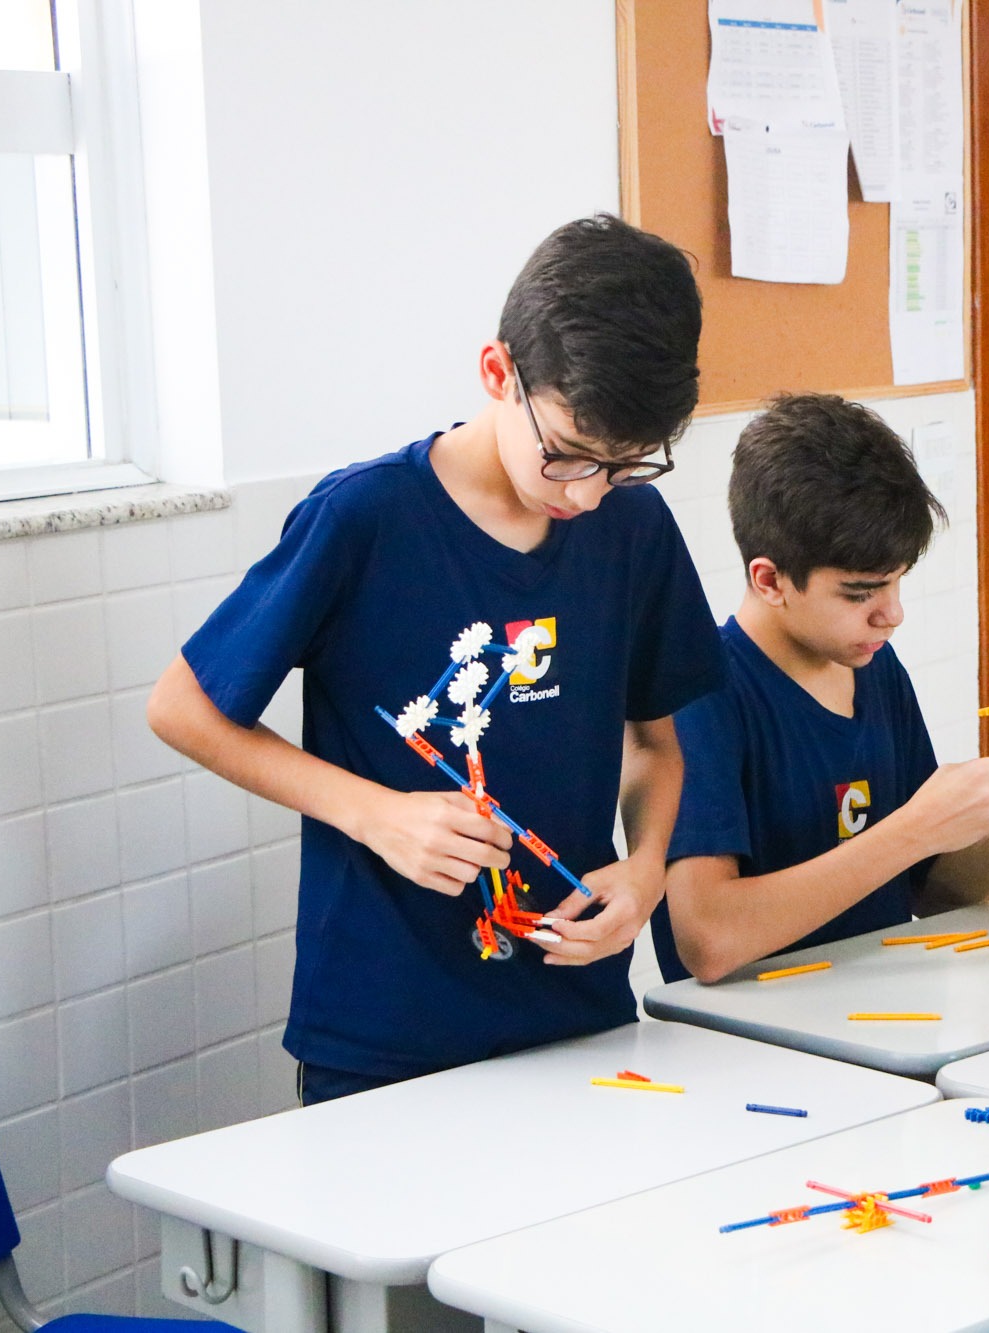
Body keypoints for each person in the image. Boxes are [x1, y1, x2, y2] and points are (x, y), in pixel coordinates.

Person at [147, 216, 723, 1103]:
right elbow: (182, 708)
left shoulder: (633, 527)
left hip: (575, 1012)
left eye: (623, 466)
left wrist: (646, 870)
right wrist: (376, 814)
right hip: (386, 1029)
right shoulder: (365, 518)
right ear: (498, 372)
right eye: (567, 456)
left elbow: (655, 744)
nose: (586, 494)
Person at [652, 393, 989, 984]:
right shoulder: (701, 693)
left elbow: (928, 892)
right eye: (860, 593)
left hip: (878, 1009)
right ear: (770, 580)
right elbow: (708, 940)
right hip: (750, 1028)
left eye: (897, 582)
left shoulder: (874, 670)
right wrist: (915, 828)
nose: (893, 614)